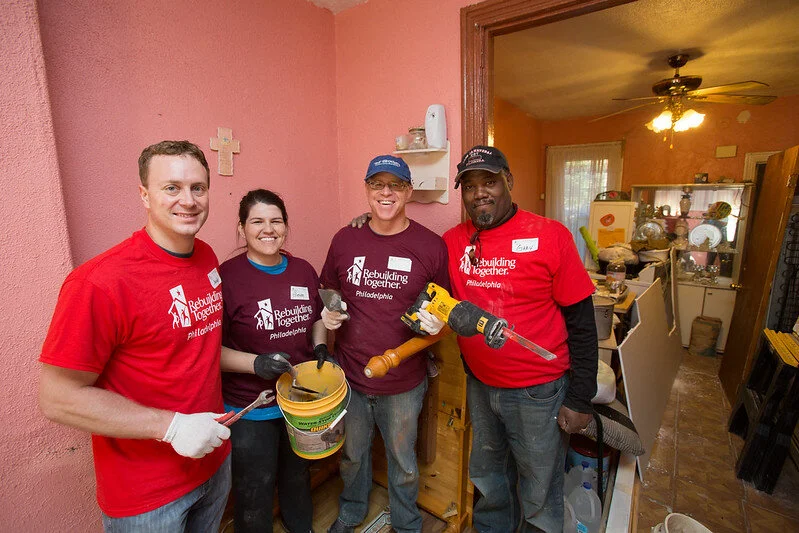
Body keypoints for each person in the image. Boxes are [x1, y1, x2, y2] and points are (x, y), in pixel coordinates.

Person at [38, 140, 231, 531]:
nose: (188, 200)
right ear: (144, 195)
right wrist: (172, 427)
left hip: (213, 461)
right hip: (148, 496)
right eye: (171, 188)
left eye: (198, 188)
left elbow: (195, 351)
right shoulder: (100, 283)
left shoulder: (207, 257)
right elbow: (56, 398)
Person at [443, 146, 598, 532]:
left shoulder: (550, 236)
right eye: (470, 185)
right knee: (489, 480)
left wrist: (580, 397)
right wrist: (373, 222)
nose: (479, 193)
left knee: (539, 488)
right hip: (480, 387)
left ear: (508, 182)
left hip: (539, 393)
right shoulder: (451, 242)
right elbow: (410, 261)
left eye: (490, 182)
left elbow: (582, 323)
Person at [320, 155, 449, 533]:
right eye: (378, 184)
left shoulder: (430, 245)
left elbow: (443, 306)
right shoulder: (345, 238)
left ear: (409, 191)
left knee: (403, 461)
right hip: (351, 376)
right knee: (353, 455)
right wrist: (330, 310)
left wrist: (437, 321)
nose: (386, 192)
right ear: (367, 190)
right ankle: (351, 511)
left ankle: (407, 523)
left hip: (404, 381)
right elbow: (328, 286)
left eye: (395, 185)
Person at [219, 189, 331, 533]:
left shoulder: (302, 269)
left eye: (276, 221)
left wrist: (321, 346)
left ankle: (302, 527)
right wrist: (256, 364)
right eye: (257, 221)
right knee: (255, 487)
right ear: (242, 228)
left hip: (298, 401)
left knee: (298, 474)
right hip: (250, 407)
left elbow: (315, 318)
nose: (268, 229)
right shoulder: (226, 277)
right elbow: (208, 351)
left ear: (286, 227)